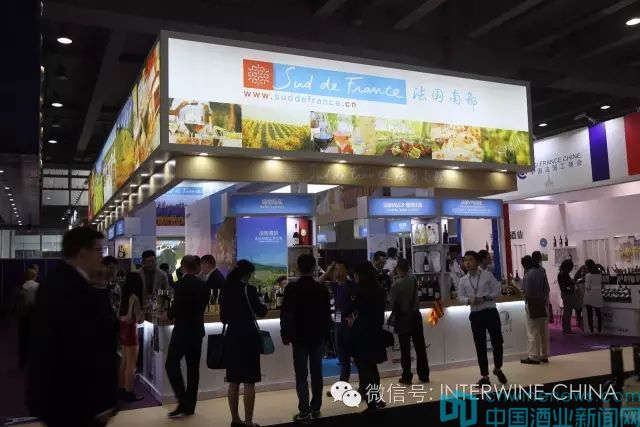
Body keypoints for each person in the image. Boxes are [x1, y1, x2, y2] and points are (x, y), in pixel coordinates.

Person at [27, 227, 118, 427]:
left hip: (60, 396)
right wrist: (102, 399)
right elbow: (89, 346)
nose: (101, 258)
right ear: (83, 252)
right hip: (72, 399)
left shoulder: (58, 280)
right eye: (98, 251)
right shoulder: (72, 289)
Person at [280, 255, 331, 423]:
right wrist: (326, 336)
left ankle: (304, 410)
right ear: (314, 267)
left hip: (299, 337)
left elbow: (286, 314)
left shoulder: (292, 289)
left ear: (298, 267)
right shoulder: (321, 289)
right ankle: (316, 408)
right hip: (317, 336)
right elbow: (327, 315)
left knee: (301, 375)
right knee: (317, 373)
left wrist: (285, 334)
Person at [220, 260, 268, 427]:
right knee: (249, 381)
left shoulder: (225, 290)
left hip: (232, 336)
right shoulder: (250, 290)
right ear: (247, 274)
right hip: (249, 337)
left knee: (233, 381)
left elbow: (223, 318)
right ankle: (248, 422)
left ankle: (235, 419)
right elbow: (261, 312)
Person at [165, 255, 210, 418]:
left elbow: (176, 308)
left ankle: (182, 400)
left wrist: (168, 315)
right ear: (196, 266)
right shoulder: (203, 286)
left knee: (171, 364)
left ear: (183, 267)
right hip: (197, 331)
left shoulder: (180, 285)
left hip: (182, 331)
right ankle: (190, 405)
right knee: (193, 370)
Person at [457, 251, 507, 386]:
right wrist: (469, 300)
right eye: (465, 260)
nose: (467, 263)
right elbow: (460, 297)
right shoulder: (463, 280)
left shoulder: (487, 275)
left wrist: (485, 298)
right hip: (476, 315)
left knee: (498, 342)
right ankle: (485, 376)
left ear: (477, 261)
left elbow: (497, 291)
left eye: (470, 260)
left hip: (490, 312)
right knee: (480, 346)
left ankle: (498, 368)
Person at [350, 262, 387, 412]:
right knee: (372, 368)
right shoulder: (379, 290)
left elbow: (352, 309)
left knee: (365, 369)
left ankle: (371, 403)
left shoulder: (359, 292)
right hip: (375, 332)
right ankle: (376, 398)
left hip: (362, 334)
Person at [391, 259, 429, 384]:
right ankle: (424, 375)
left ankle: (407, 376)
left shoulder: (396, 284)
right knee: (420, 347)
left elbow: (392, 302)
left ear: (397, 268)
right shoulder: (413, 280)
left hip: (403, 318)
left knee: (405, 349)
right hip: (415, 316)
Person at [322, 261, 356, 387]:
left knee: (350, 353)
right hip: (337, 322)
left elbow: (358, 303)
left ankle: (350, 383)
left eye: (340, 269)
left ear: (346, 271)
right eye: (336, 269)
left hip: (348, 322)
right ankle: (343, 383)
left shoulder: (352, 285)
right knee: (341, 354)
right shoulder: (334, 285)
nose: (338, 272)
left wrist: (354, 316)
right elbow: (318, 283)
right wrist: (328, 271)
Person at [118, 273, 144, 402]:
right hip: (131, 333)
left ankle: (121, 389)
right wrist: (142, 313)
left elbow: (121, 316)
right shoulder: (134, 298)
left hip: (123, 332)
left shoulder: (124, 296)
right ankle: (129, 391)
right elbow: (137, 319)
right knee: (131, 365)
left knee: (124, 362)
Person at [520, 256, 550, 365]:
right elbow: (547, 289)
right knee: (543, 331)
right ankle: (544, 355)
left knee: (533, 331)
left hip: (532, 304)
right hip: (542, 303)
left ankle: (533, 356)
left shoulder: (528, 275)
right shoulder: (542, 272)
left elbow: (526, 292)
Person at [17, 268, 39, 367]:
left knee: (23, 339)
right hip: (35, 317)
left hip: (22, 317)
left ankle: (22, 361)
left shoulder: (20, 288)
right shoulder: (38, 287)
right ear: (34, 276)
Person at [583, 259, 603, 334]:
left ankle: (591, 330)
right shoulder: (599, 274)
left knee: (590, 313)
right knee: (598, 312)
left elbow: (587, 286)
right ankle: (599, 329)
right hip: (598, 294)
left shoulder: (588, 275)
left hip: (589, 295)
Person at [558, 259, 578, 334]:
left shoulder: (561, 273)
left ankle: (565, 328)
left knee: (566, 312)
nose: (571, 269)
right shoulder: (565, 274)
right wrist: (572, 283)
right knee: (568, 313)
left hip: (564, 293)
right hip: (568, 294)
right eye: (570, 268)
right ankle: (567, 329)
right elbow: (567, 285)